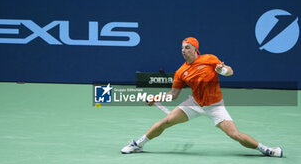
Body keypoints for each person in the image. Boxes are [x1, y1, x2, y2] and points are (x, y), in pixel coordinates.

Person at [121, 37, 283, 157]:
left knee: (235, 135)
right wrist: (155, 99)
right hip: (195, 103)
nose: (183, 50)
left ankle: (267, 150)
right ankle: (138, 145)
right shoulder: (180, 72)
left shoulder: (209, 59)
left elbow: (229, 70)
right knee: (165, 122)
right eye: (182, 48)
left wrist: (222, 71)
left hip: (215, 106)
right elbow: (173, 94)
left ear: (195, 49)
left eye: (187, 47)